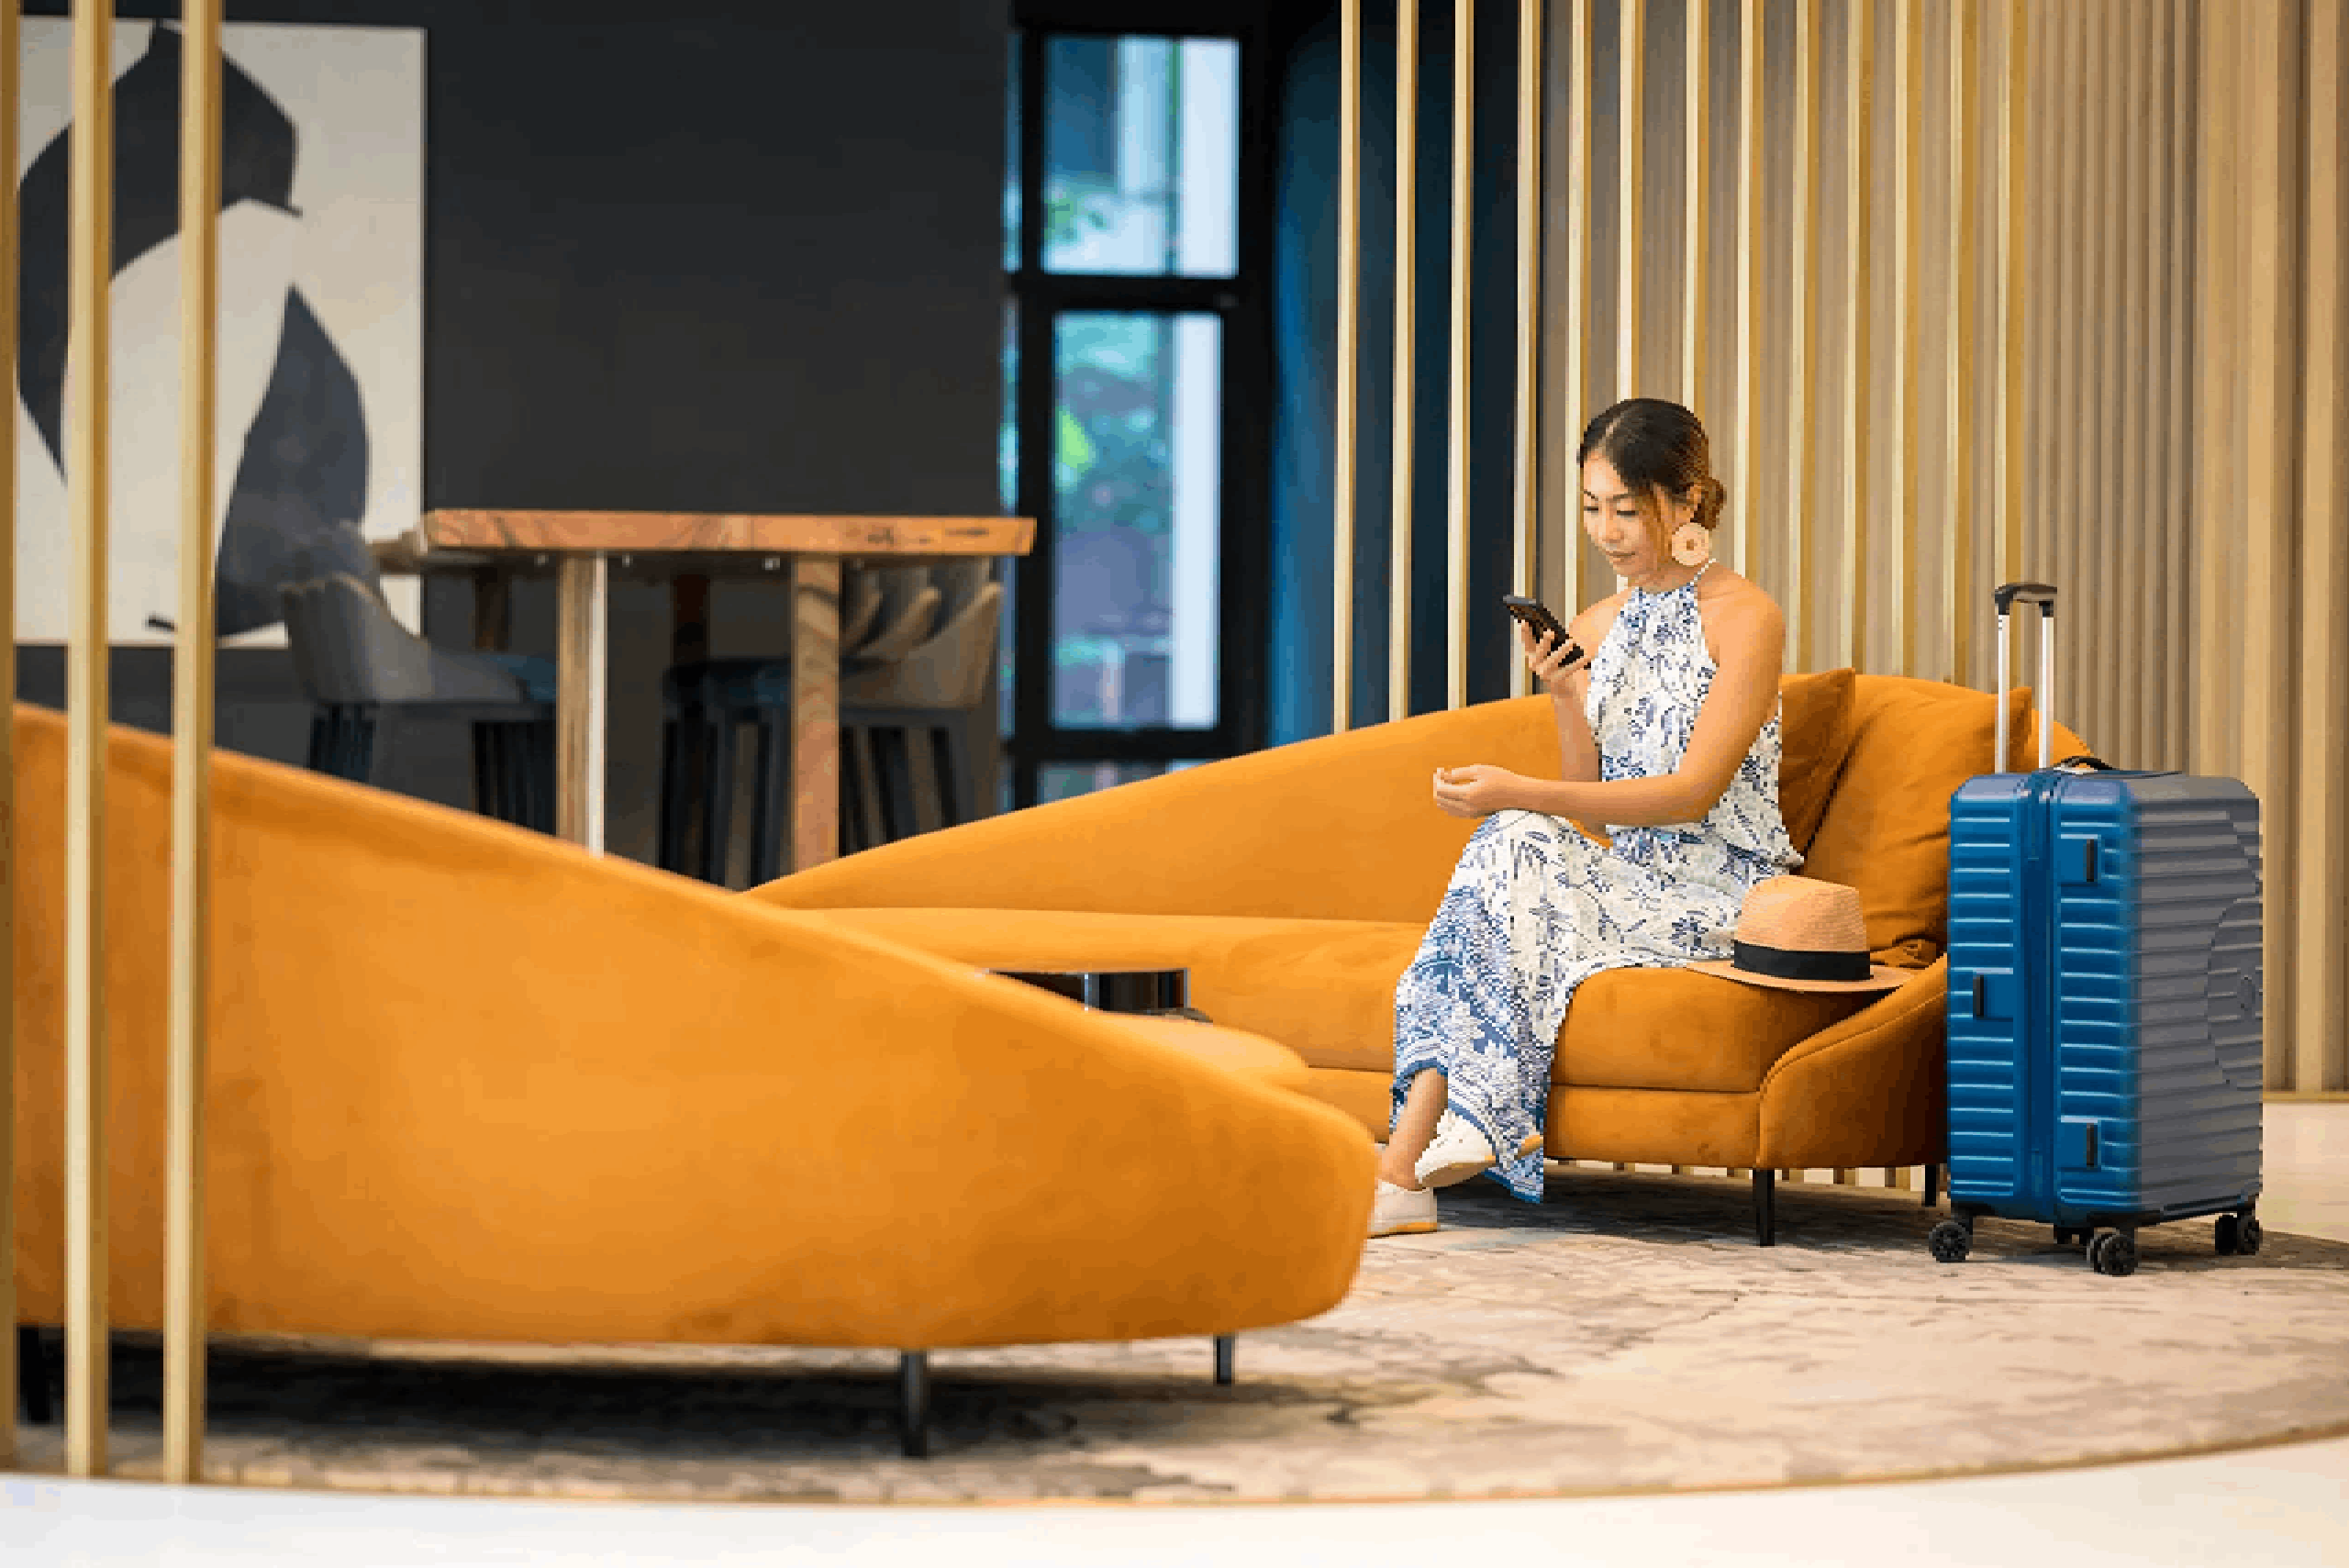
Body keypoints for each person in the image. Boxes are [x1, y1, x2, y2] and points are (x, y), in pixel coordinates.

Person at [1371, 397, 1799, 1238]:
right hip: (1627, 879)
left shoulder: (1748, 619)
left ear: (1688, 500)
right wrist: (1567, 695)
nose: (1606, 532)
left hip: (1724, 894)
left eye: (1626, 510)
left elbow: (1691, 793)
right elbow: (1590, 805)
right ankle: (1437, 1144)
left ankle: (1433, 1144)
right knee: (1513, 841)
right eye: (1592, 508)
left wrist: (1516, 790)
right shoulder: (1597, 624)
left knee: (1515, 831)